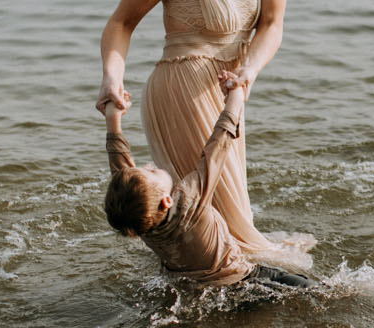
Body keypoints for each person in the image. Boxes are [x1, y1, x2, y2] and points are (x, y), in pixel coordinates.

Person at [97, 0, 314, 272]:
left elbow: (272, 25)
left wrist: (247, 74)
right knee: (220, 220)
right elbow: (121, 24)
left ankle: (196, 296)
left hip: (233, 83)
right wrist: (111, 76)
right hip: (183, 88)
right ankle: (244, 297)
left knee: (223, 218)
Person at [102, 74, 312, 293]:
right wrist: (236, 99)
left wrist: (113, 119)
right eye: (153, 171)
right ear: (166, 200)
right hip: (242, 280)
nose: (148, 164)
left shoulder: (138, 219)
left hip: (196, 287)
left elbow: (120, 167)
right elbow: (217, 149)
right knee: (311, 288)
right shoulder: (188, 200)